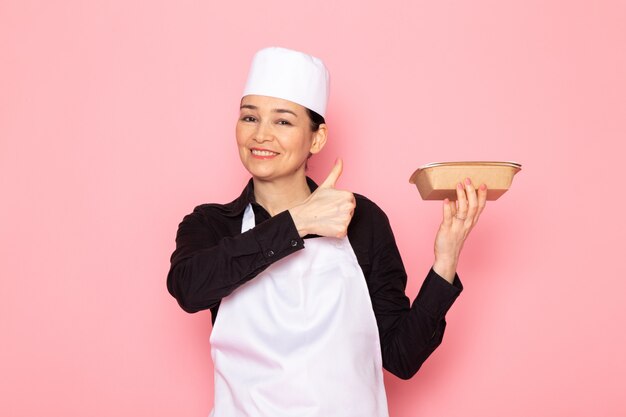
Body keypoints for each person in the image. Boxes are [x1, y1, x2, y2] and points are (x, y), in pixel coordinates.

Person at [167, 46, 487, 417]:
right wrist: (299, 222)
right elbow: (189, 289)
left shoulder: (362, 219)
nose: (261, 135)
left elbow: (401, 356)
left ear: (316, 139)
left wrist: (445, 261)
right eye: (249, 117)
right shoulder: (211, 224)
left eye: (283, 121)